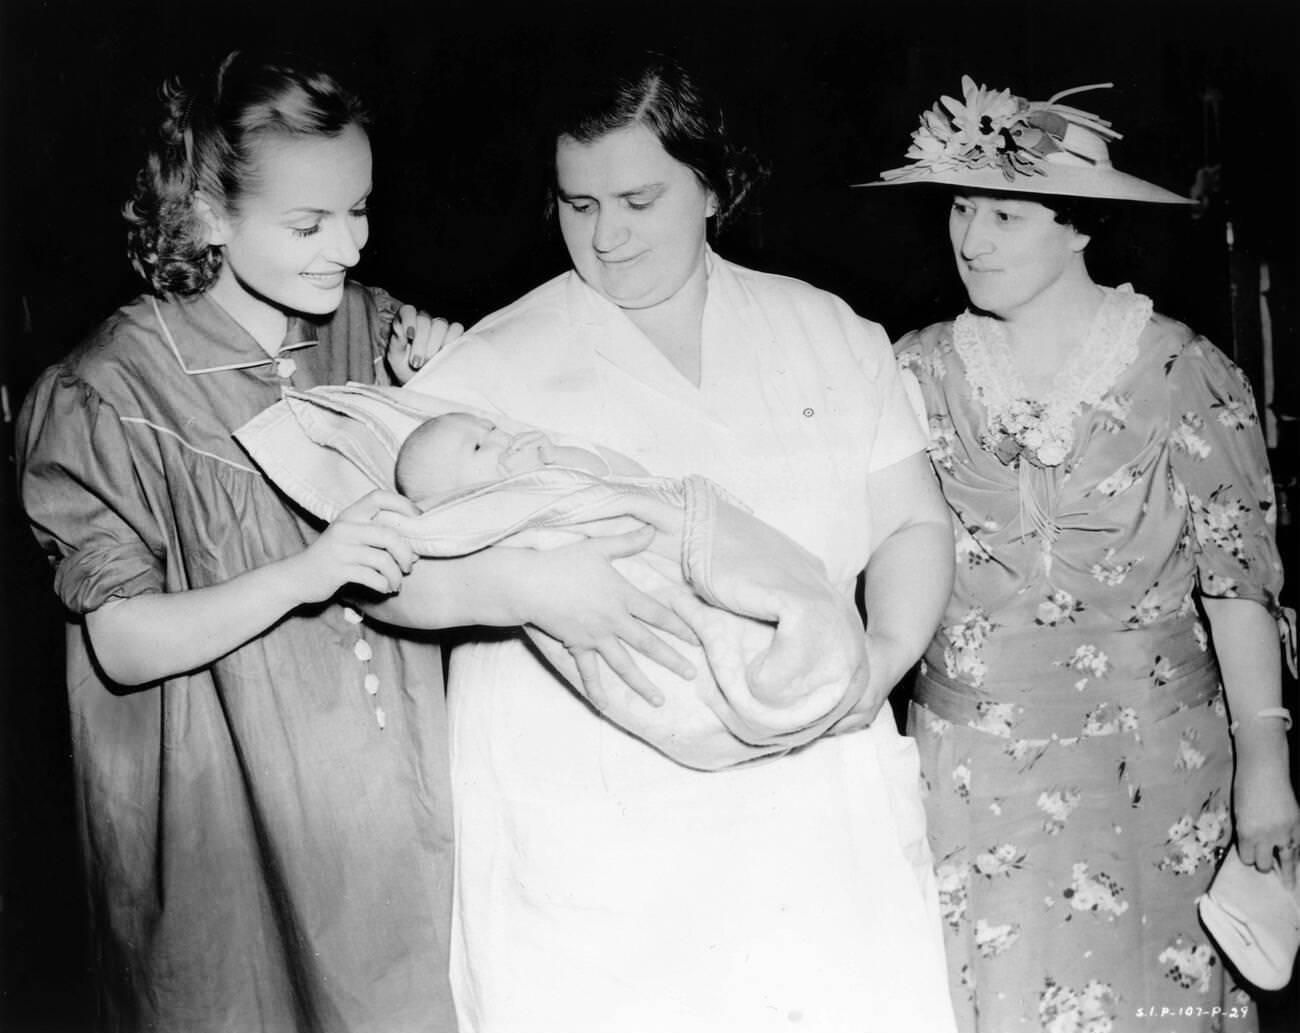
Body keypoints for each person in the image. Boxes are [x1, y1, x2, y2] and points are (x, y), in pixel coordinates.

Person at [372, 52, 958, 1033]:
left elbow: (911, 520)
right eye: (578, 204)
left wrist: (884, 656)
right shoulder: (490, 366)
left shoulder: (824, 331)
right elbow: (381, 578)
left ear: (713, 187)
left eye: (638, 200)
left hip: (810, 812)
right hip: (600, 845)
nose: (606, 236)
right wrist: (529, 586)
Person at [865, 76, 1300, 1031]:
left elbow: (1236, 583)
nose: (972, 239)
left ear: (1079, 226)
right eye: (962, 207)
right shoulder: (909, 369)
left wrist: (1265, 763)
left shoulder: (1182, 367)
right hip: (969, 768)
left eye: (1006, 214)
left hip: (1156, 767)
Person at [393, 411, 642, 500]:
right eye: (477, 447)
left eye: (490, 427)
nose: (499, 438)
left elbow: (603, 472)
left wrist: (555, 457)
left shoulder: (542, 455)